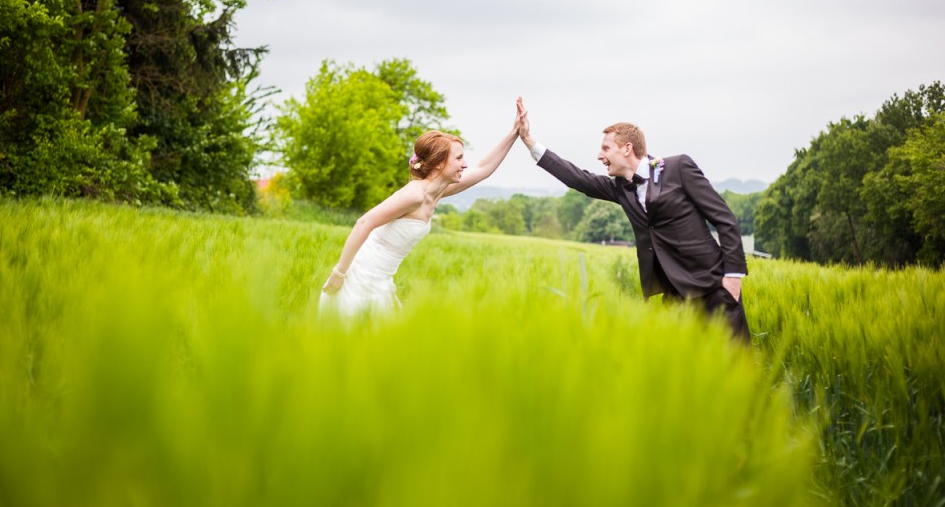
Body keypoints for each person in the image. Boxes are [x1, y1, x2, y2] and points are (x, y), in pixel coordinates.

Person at [516, 101, 751, 343]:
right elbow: (576, 178)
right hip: (674, 295)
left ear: (627, 148)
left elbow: (724, 218)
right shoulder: (619, 189)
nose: (600, 156)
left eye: (605, 148)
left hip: (713, 286)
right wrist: (529, 141)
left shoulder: (678, 167)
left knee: (735, 365)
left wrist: (733, 276)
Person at [320, 99, 527, 318]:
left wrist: (514, 132)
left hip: (381, 280)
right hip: (360, 279)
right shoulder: (415, 194)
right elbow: (364, 222)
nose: (464, 164)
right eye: (458, 158)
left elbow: (483, 169)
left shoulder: (437, 192)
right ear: (439, 163)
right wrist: (339, 273)